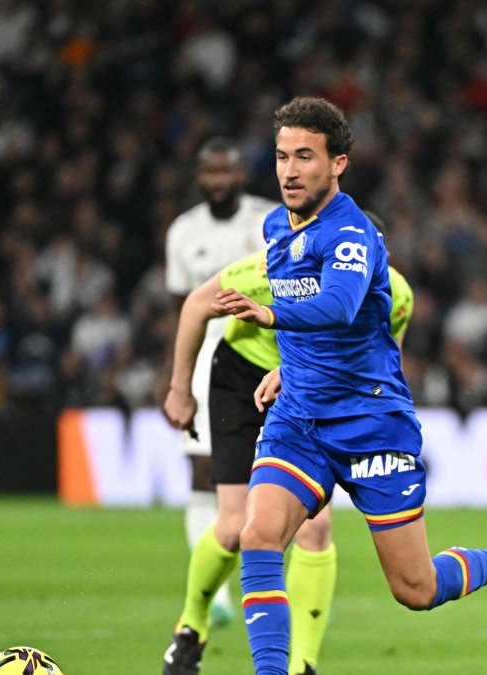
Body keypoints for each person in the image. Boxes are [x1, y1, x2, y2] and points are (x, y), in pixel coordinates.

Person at [212, 96, 487, 675]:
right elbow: (318, 327)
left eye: (305, 157)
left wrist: (269, 315)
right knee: (259, 535)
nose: (290, 171)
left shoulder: (352, 232)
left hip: (370, 422)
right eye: (281, 157)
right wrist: (289, 367)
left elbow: (341, 306)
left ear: (337, 164)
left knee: (415, 588)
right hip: (299, 419)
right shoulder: (275, 227)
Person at [161, 215, 415, 675]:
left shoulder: (397, 296)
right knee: (236, 527)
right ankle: (192, 626)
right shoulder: (268, 270)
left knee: (316, 530)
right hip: (242, 379)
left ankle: (303, 664)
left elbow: (380, 359)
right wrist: (181, 389)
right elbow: (197, 305)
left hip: (314, 393)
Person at [164, 138, 277, 629]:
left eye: (224, 171)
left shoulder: (269, 220)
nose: (217, 181)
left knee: (268, 481)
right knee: (202, 472)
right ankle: (219, 595)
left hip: (263, 356)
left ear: (240, 174)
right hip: (205, 363)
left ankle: (272, 584)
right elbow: (180, 309)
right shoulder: (183, 232)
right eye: (209, 172)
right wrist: (176, 380)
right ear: (198, 177)